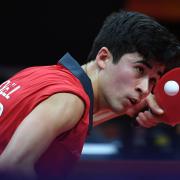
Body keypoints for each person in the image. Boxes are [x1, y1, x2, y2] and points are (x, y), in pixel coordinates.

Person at [0, 10, 180, 180]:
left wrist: (129, 108)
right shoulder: (69, 99)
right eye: (139, 70)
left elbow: (70, 127)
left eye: (153, 81)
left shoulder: (40, 75)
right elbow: (12, 166)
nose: (144, 88)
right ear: (104, 58)